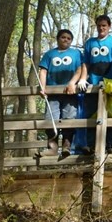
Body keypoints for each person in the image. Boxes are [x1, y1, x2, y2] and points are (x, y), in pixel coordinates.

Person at [80, 14, 112, 154]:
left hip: (111, 83)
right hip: (93, 83)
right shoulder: (90, 43)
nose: (101, 28)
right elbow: (86, 63)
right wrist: (82, 78)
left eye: (104, 25)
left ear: (109, 27)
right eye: (99, 25)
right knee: (92, 114)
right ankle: (92, 146)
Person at [37, 29, 84, 158]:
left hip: (70, 93)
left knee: (69, 119)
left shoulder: (76, 53)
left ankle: (67, 146)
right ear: (58, 39)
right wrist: (42, 87)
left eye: (69, 38)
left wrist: (72, 83)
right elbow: (43, 71)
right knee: (51, 119)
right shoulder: (49, 54)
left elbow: (80, 69)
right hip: (52, 93)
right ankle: (52, 147)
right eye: (63, 37)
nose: (66, 40)